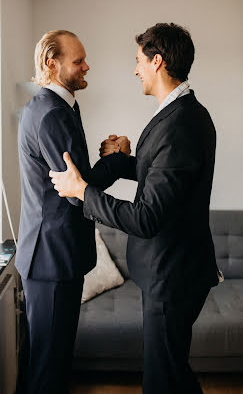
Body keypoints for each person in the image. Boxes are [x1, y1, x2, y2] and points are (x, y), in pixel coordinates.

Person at [49, 23, 221, 394]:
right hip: (171, 272)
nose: (135, 69)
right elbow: (160, 175)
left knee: (162, 380)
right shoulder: (179, 114)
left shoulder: (181, 125)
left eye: (139, 60)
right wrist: (124, 159)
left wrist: (82, 191)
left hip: (171, 275)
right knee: (172, 371)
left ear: (157, 61)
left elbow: (145, 217)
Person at [15, 30, 130, 394]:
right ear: (53, 64)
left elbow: (75, 179)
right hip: (53, 259)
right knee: (50, 368)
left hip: (52, 256)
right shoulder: (51, 114)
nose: (87, 66)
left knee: (43, 361)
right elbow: (78, 192)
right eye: (78, 60)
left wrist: (104, 160)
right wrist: (116, 159)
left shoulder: (59, 106)